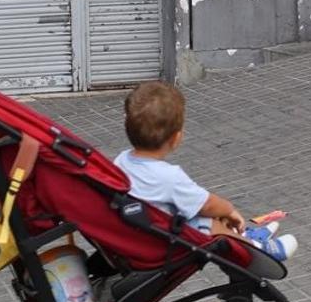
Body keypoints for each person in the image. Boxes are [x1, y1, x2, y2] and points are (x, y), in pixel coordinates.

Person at [113, 82, 298, 262]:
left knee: (196, 210)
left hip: (137, 232)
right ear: (177, 138)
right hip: (162, 241)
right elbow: (207, 204)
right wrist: (230, 210)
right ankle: (259, 250)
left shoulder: (121, 161)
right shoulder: (169, 178)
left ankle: (244, 235)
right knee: (210, 221)